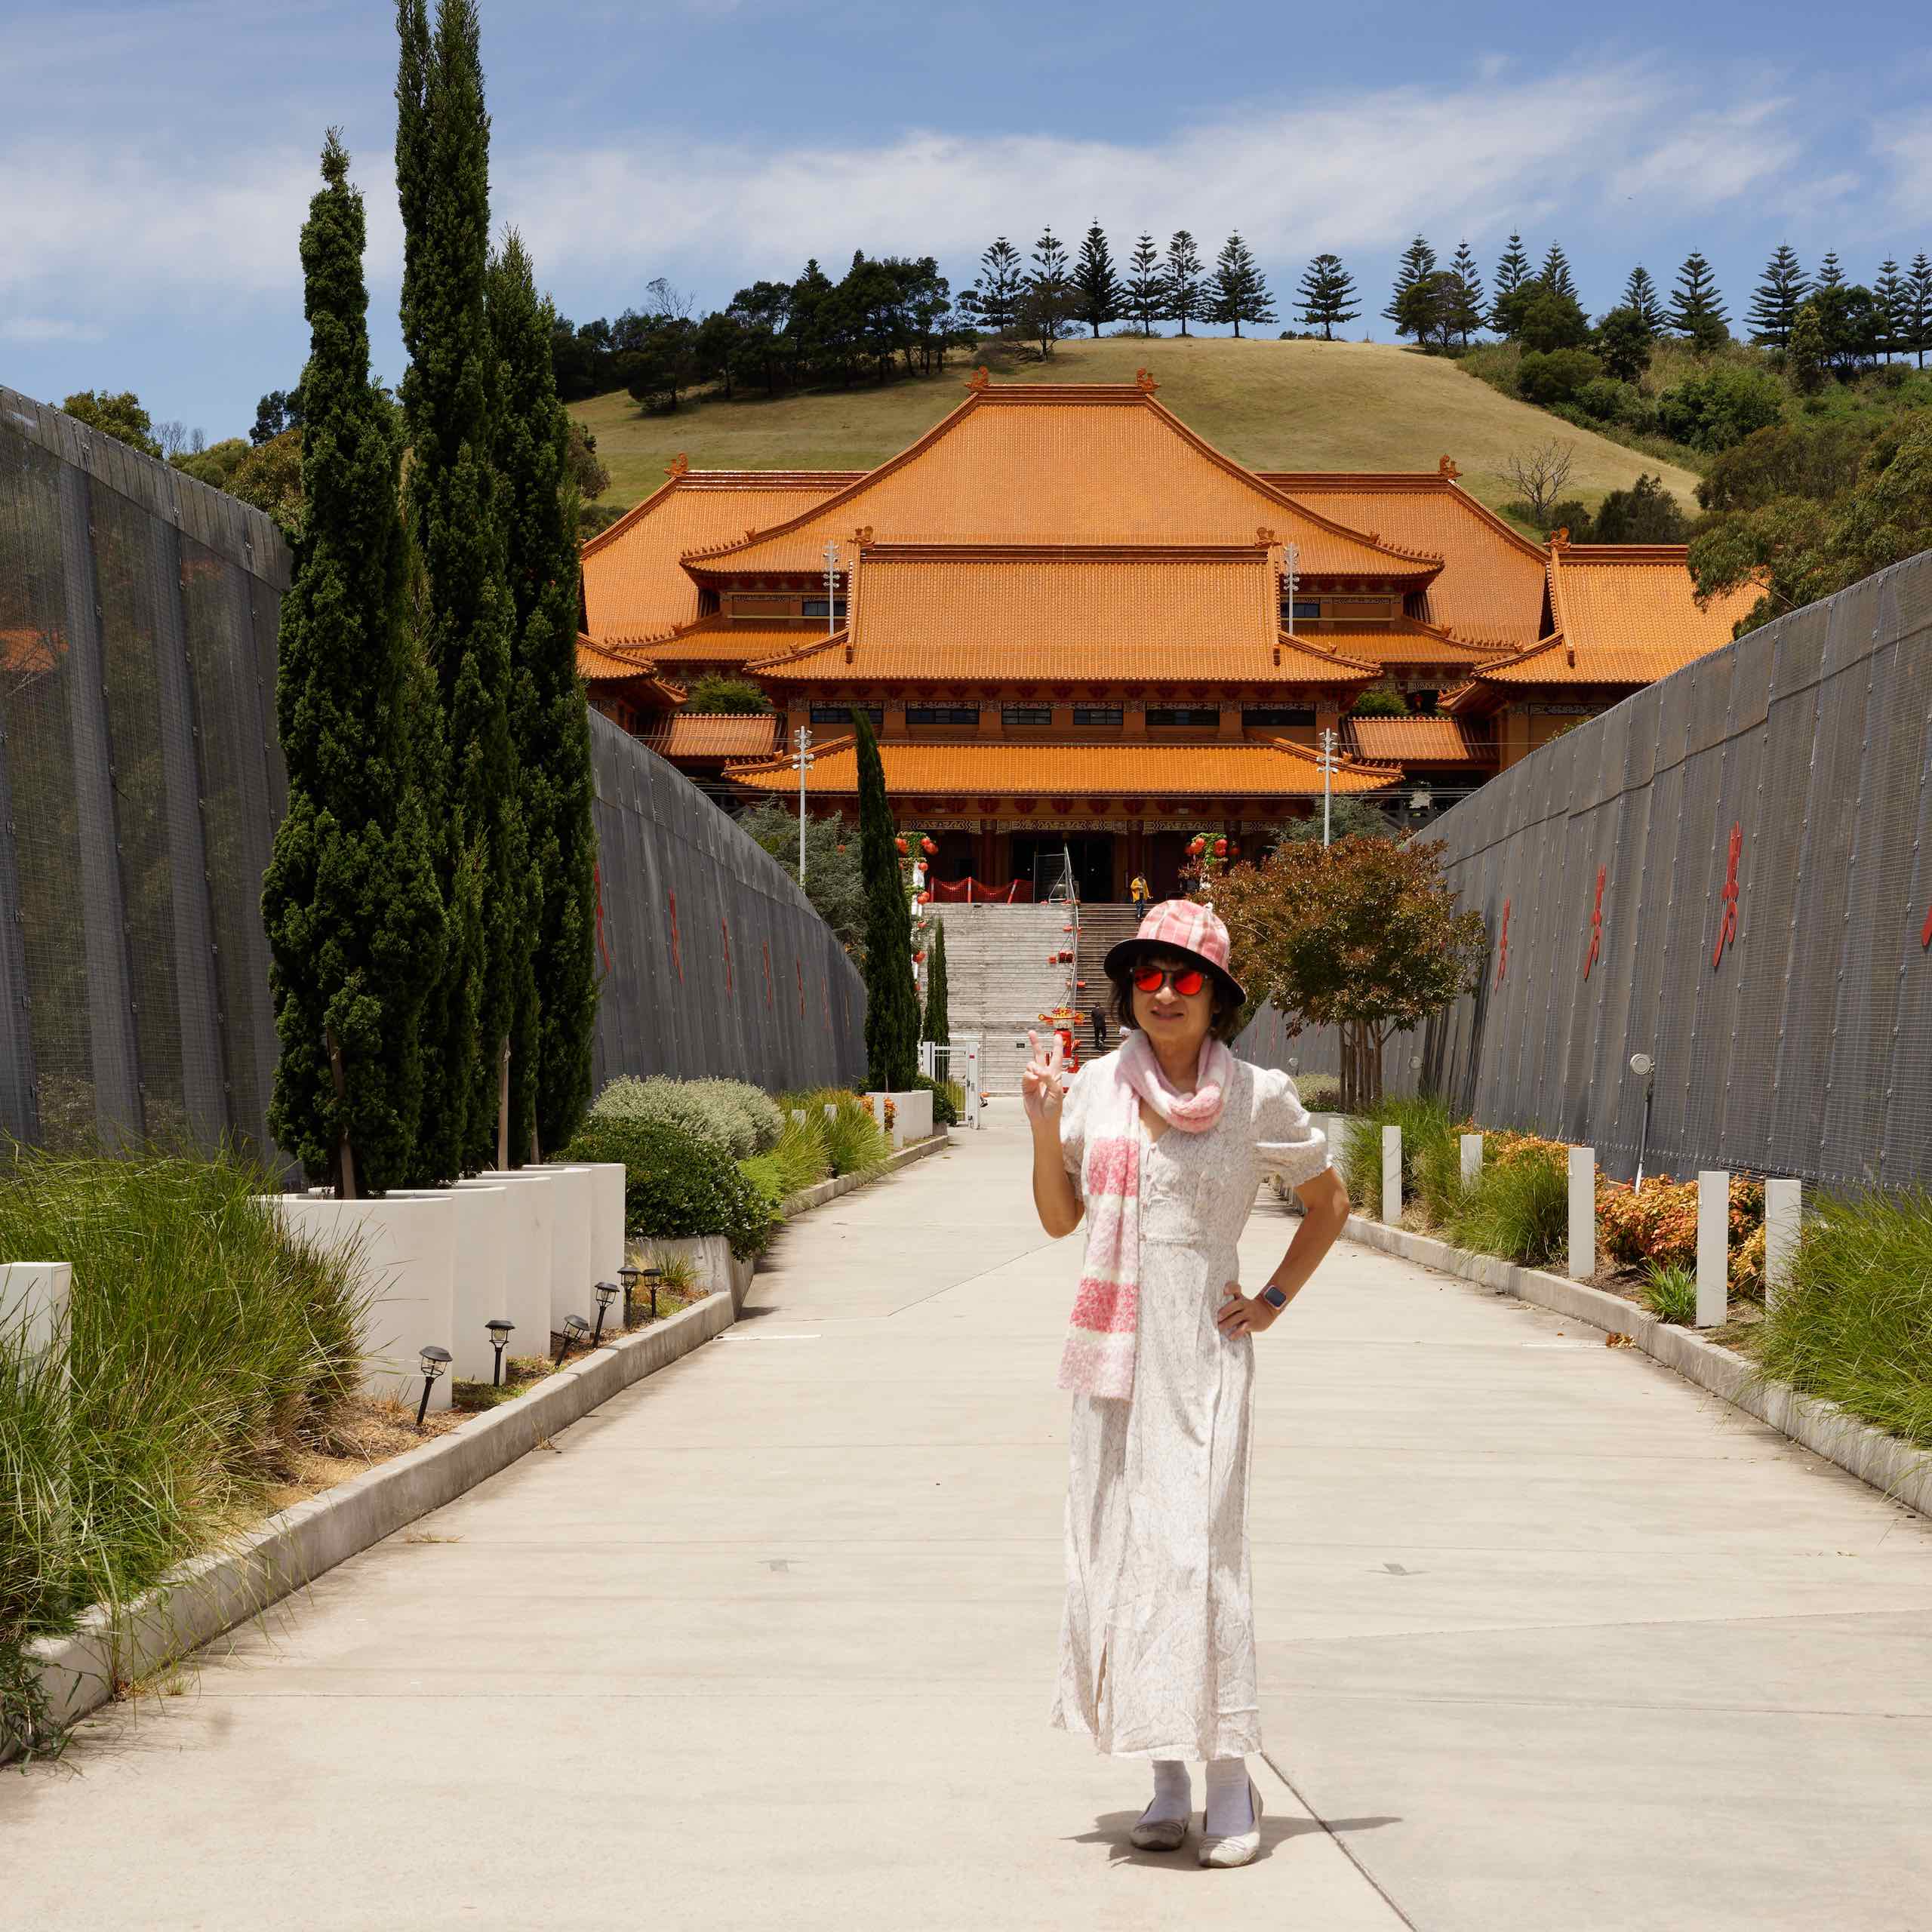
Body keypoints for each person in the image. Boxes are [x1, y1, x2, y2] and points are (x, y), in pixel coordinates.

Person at [1022, 899, 1349, 1869]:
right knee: (1127, 1551)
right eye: (1148, 977)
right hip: (1113, 1356)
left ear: (1218, 998)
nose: (1163, 994)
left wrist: (1274, 1298)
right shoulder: (1092, 1086)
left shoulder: (1257, 1096)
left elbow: (1328, 1202)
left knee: (1201, 1553)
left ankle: (1230, 1774)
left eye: (1186, 978)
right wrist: (1044, 1131)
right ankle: (1163, 1775)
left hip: (1203, 1348)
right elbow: (1057, 1219)